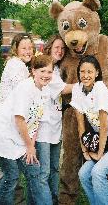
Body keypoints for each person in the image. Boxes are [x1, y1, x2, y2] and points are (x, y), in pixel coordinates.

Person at [0, 55, 54, 205]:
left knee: (34, 171)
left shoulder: (45, 92)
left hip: (19, 139)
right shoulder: (26, 87)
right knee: (11, 176)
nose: (46, 75)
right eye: (42, 71)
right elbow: (19, 119)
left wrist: (30, 146)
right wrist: (30, 146)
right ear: (33, 71)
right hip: (2, 136)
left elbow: (36, 122)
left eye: (49, 72)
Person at [70, 55, 108, 205]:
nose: (85, 75)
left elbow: (104, 126)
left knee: (98, 172)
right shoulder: (77, 90)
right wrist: (85, 151)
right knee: (84, 174)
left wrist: (99, 154)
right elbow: (81, 125)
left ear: (97, 73)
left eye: (90, 72)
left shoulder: (99, 88)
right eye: (82, 71)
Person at [0, 33, 35, 205]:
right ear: (16, 49)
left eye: (30, 48)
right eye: (24, 48)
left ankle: (14, 201)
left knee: (8, 166)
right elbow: (23, 91)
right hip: (4, 123)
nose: (28, 51)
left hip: (9, 123)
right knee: (4, 169)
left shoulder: (20, 65)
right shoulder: (15, 65)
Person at [36, 35, 73, 204]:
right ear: (49, 48)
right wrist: (89, 82)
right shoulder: (45, 68)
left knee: (54, 169)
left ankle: (53, 199)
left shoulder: (57, 69)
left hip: (55, 128)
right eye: (57, 47)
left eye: (63, 48)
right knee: (43, 172)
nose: (60, 51)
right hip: (43, 127)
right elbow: (64, 89)